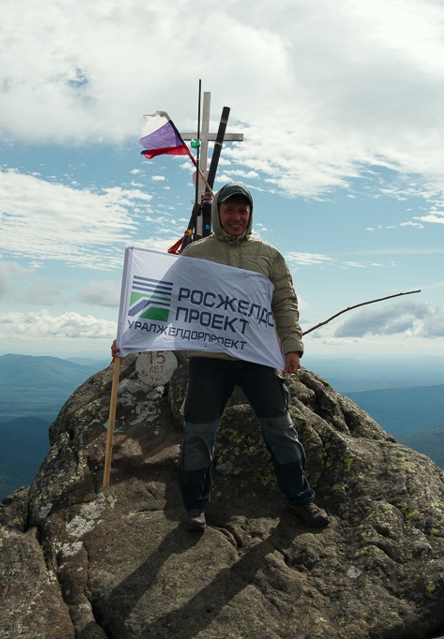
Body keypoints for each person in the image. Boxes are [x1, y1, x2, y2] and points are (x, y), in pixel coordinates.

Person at [114, 182, 329, 531]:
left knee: (280, 428)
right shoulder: (196, 254)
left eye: (243, 210)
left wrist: (291, 347)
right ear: (218, 213)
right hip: (209, 358)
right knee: (199, 433)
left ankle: (302, 500)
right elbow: (166, 299)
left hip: (258, 358)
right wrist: (130, 337)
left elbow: (284, 303)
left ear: (250, 214)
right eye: (229, 210)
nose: (236, 217)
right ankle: (194, 508)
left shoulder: (269, 255)